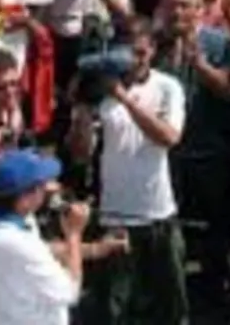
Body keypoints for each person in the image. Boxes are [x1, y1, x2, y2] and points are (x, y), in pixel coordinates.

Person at [66, 18, 187, 325]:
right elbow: (80, 155)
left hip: (158, 211)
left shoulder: (167, 87)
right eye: (128, 52)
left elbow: (169, 137)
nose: (134, 60)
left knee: (170, 304)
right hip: (115, 214)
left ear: (153, 50)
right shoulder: (98, 91)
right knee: (115, 308)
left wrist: (123, 97)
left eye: (141, 53)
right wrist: (81, 115)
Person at [0, 152, 88, 325]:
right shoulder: (20, 244)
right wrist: (74, 235)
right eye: (40, 186)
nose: (45, 188)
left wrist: (39, 193)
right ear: (25, 197)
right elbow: (69, 291)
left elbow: (20, 210)